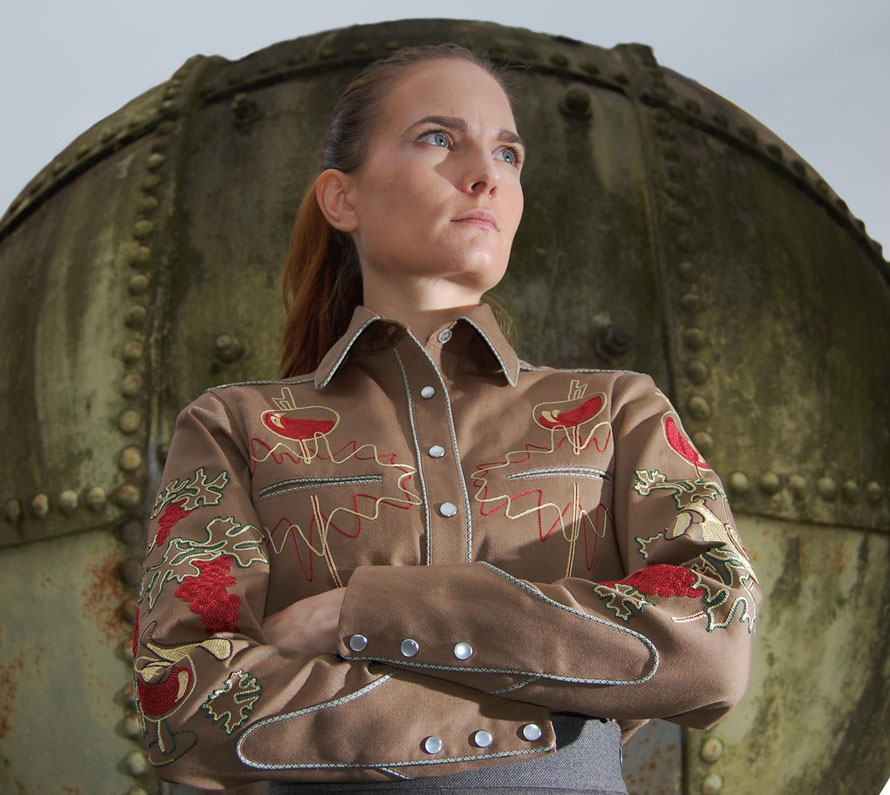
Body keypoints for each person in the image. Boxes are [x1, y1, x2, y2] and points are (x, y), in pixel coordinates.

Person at [133, 43, 760, 793]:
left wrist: (364, 612)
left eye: (508, 152)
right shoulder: (237, 426)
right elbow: (186, 701)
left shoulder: (619, 411)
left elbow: (712, 642)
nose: (486, 173)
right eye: (439, 137)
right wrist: (546, 725)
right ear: (343, 198)